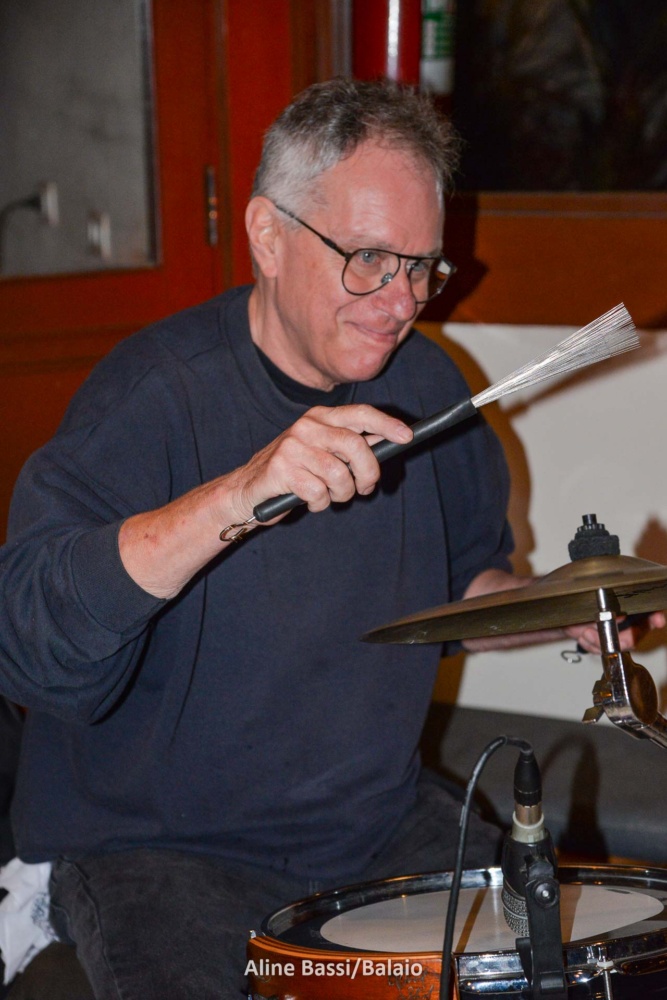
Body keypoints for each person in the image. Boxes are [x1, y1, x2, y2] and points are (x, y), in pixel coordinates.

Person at [0, 78, 661, 1000]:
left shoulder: (427, 388)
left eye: (422, 267)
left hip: (371, 825)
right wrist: (242, 490)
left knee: (549, 975)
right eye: (368, 258)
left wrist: (566, 611)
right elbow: (31, 647)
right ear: (267, 236)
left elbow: (462, 596)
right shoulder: (152, 396)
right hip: (158, 847)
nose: (399, 300)